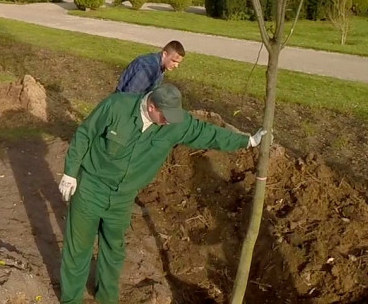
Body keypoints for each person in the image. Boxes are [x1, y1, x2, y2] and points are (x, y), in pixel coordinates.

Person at [57, 83, 265, 304]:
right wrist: (70, 173)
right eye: (165, 116)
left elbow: (206, 133)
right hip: (92, 186)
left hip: (123, 196)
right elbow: (85, 134)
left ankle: (106, 297)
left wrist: (248, 141)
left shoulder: (174, 122)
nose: (169, 122)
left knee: (113, 247)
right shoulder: (116, 106)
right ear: (152, 106)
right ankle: (71, 300)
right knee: (79, 247)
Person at [115, 40, 185, 93]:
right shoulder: (150, 69)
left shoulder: (159, 65)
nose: (176, 65)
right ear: (164, 54)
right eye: (174, 61)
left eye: (178, 63)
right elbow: (130, 94)